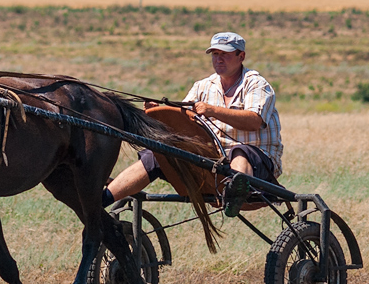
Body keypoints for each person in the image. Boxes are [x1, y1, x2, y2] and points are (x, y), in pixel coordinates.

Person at [103, 32, 283, 217]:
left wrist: (213, 110)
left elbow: (254, 120)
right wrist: (156, 113)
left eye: (225, 54)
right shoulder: (202, 86)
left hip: (259, 165)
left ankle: (235, 195)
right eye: (215, 54)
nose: (219, 60)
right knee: (156, 154)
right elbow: (183, 122)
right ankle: (102, 200)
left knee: (240, 151)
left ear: (241, 56)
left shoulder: (257, 84)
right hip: (214, 162)